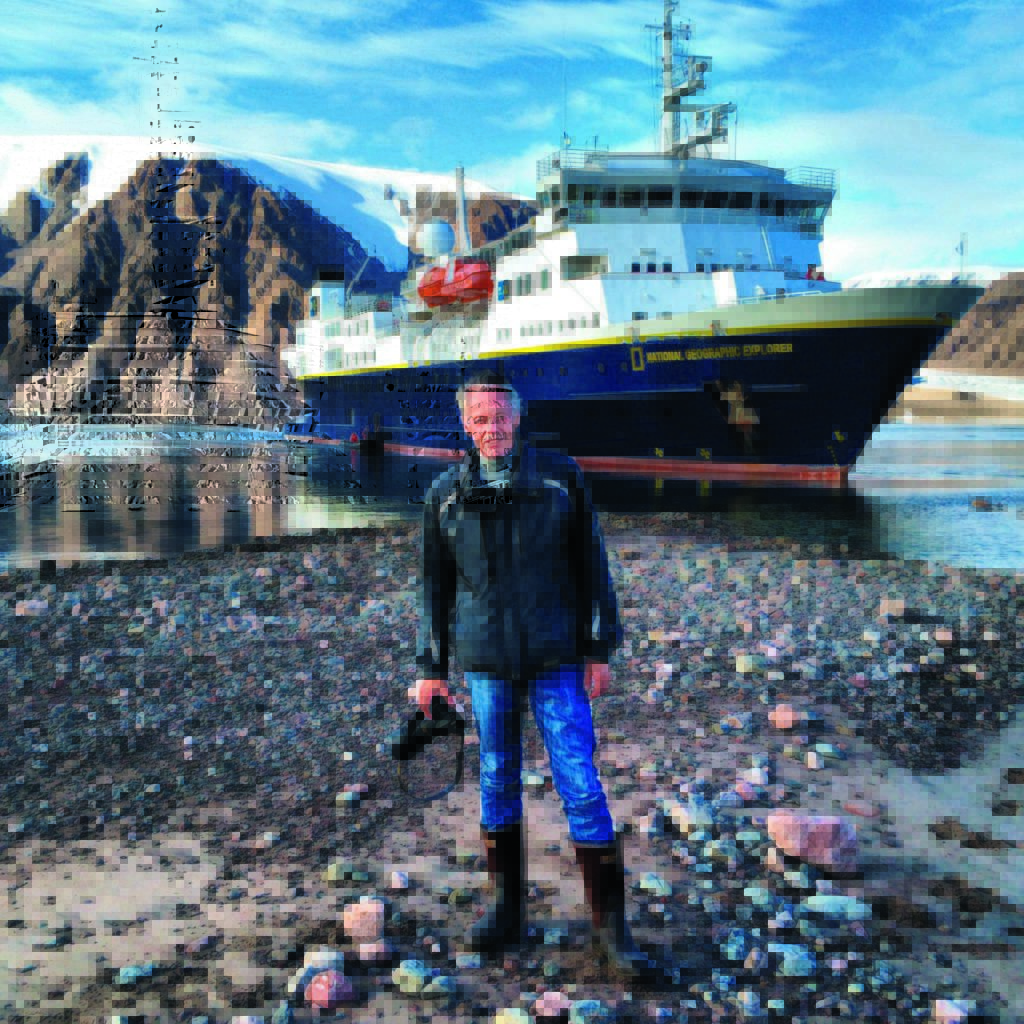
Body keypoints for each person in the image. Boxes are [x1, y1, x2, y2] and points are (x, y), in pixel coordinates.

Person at [411, 369, 663, 979]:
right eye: (480, 419)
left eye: (500, 417)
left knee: (579, 780)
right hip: (486, 662)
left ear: (517, 417)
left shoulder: (559, 478)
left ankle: (610, 930)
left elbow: (591, 564)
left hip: (557, 656)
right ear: (465, 425)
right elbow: (433, 587)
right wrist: (430, 668)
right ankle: (506, 911)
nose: (491, 428)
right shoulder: (445, 494)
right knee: (497, 777)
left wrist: (599, 649)